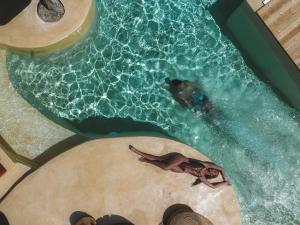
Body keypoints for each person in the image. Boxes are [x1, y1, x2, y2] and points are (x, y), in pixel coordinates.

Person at [129, 145, 230, 189]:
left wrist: (222, 184)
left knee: (166, 167)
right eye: (215, 170)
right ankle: (138, 152)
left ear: (211, 175)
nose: (214, 170)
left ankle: (147, 160)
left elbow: (213, 187)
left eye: (214, 173)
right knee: (160, 159)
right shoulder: (206, 165)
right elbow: (222, 169)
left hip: (182, 169)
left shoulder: (202, 178)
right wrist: (225, 179)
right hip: (181, 159)